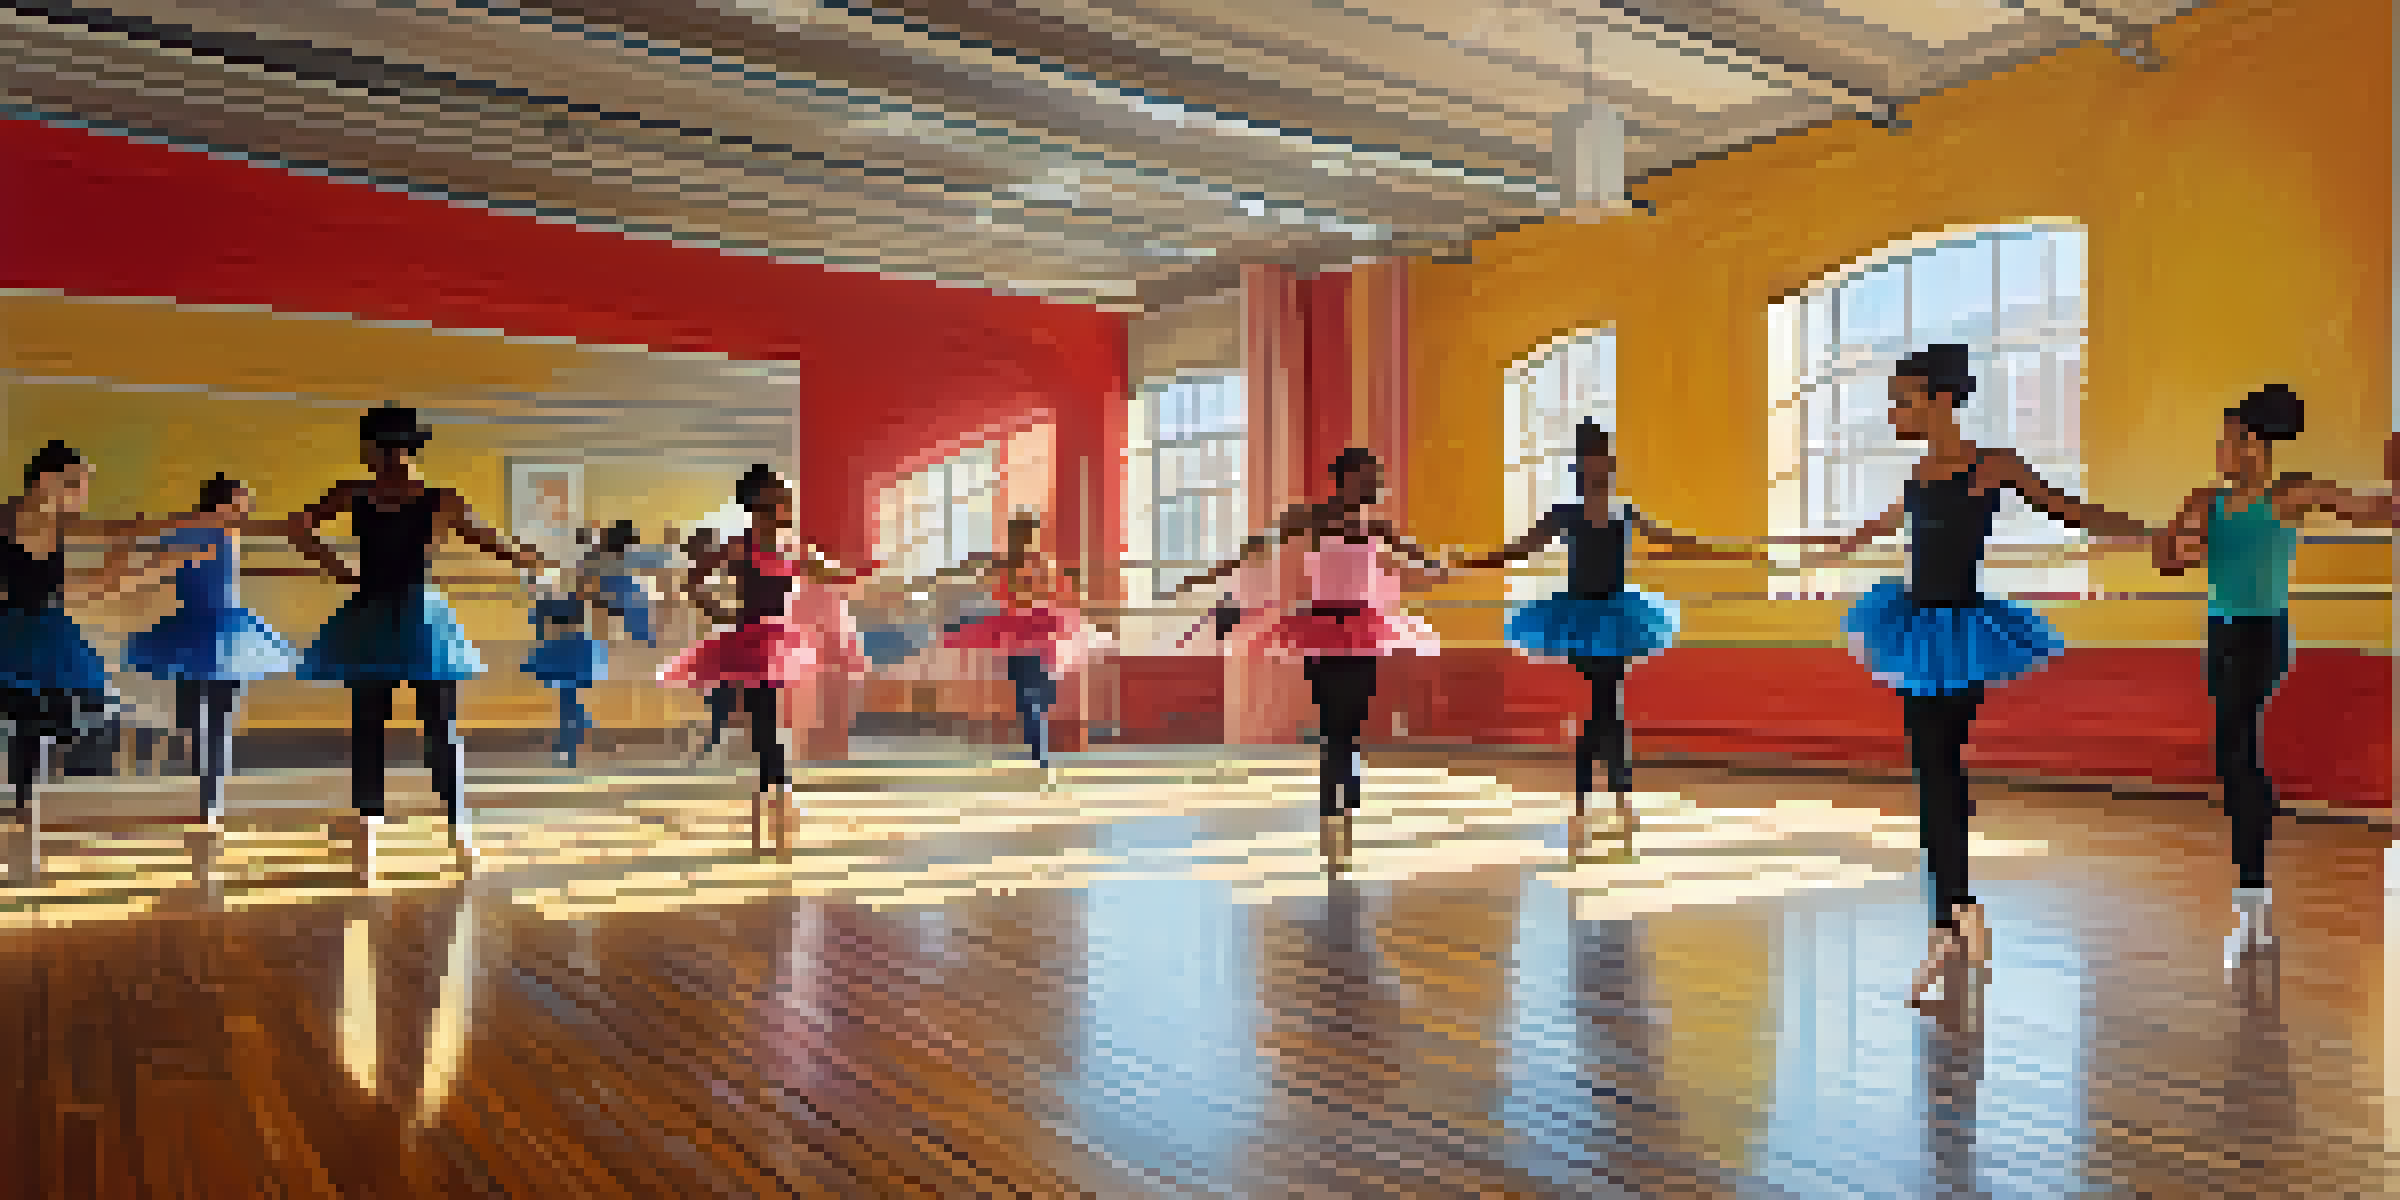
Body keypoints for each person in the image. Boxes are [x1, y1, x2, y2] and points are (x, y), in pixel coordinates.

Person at [1798, 345, 2151, 1006]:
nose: (1894, 413)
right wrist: (1838, 544)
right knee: (1936, 769)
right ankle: (1957, 911)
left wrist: (2153, 536)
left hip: (1961, 637)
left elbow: (2072, 512)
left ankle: (1949, 920)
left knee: (1937, 769)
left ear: (1940, 399)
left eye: (1903, 401)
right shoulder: (1917, 474)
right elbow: (1888, 524)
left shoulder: (1993, 466)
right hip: (1911, 625)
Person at [2151, 386, 2400, 967]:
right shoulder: (2206, 500)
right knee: (2233, 758)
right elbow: (2169, 560)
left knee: (2236, 747)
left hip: (2264, 636)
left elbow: (2373, 511)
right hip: (2220, 635)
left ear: (2253, 444)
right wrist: (2175, 542)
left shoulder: (2291, 494)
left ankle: (2251, 899)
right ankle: (2257, 835)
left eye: (2227, 440)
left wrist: (2393, 476)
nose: (2219, 451)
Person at [1450, 420, 1763, 836]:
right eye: (1590, 461)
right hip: (1578, 620)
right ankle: (1610, 795)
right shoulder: (1564, 514)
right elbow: (1519, 549)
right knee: (1606, 704)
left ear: (1609, 466)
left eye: (1602, 461)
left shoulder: (1624, 512)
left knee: (1606, 705)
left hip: (1618, 618)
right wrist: (1465, 562)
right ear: (1580, 467)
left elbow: (1671, 541)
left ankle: (1598, 795)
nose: (1597, 469)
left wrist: (1731, 551)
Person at [287, 407, 554, 881]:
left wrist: (339, 569)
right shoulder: (437, 499)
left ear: (375, 448)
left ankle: (382, 831)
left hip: (377, 615)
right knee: (437, 728)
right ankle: (453, 831)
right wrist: (531, 558)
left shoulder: (356, 493)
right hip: (418, 617)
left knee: (374, 727)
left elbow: (298, 527)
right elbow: (494, 543)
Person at [1179, 448, 1447, 853]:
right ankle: (1332, 799)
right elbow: (1254, 548)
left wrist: (1444, 568)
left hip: (1364, 628)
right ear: (1346, 478)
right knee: (1330, 716)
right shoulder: (1309, 518)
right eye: (1367, 476)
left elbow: (1422, 559)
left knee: (1353, 715)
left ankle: (1346, 792)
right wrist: (1203, 577)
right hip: (1320, 628)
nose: (1374, 484)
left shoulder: (1378, 525)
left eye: (1375, 478)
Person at [2, 441, 216, 868]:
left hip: (42, 627)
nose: (83, 493)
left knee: (39, 718)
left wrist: (166, 538)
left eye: (83, 484)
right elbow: (100, 578)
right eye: (75, 483)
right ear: (44, 482)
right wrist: (138, 548)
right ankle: (24, 809)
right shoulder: (15, 520)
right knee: (31, 713)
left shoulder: (59, 524)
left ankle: (26, 810)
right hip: (18, 628)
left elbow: (108, 565)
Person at [659, 466, 870, 854]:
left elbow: (835, 574)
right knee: (765, 714)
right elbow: (693, 582)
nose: (789, 504)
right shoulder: (739, 546)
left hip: (780, 639)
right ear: (760, 504)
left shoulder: (795, 549)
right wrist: (717, 613)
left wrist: (861, 570)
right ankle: (779, 790)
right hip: (750, 639)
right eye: (782, 498)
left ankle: (775, 789)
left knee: (770, 716)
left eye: (788, 498)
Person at [121, 473, 300, 823]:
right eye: (238, 503)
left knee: (219, 715)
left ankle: (211, 797)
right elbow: (159, 560)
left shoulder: (228, 532)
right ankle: (206, 778)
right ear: (219, 503)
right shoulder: (191, 530)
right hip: (195, 628)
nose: (244, 511)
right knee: (196, 716)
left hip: (226, 632)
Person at [927, 512, 1110, 769]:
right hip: (1033, 640)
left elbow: (1003, 593)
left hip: (1028, 640)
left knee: (1029, 699)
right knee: (1032, 698)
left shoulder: (1019, 567)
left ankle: (1039, 750)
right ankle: (1039, 749)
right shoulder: (1038, 567)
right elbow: (1059, 595)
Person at [522, 590, 607, 768]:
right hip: (573, 675)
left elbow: (544, 655)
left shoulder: (564, 640)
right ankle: (571, 743)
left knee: (568, 709)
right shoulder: (578, 639)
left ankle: (570, 745)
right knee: (569, 708)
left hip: (569, 675)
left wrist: (531, 664)